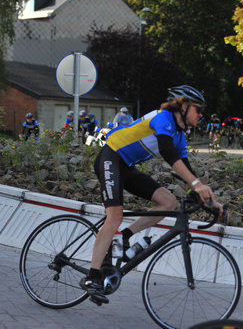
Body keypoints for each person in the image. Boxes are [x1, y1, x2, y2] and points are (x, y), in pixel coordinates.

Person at [80, 85, 224, 304]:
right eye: (198, 109)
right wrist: (196, 184)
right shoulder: (162, 118)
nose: (201, 114)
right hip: (111, 156)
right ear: (183, 106)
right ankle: (92, 278)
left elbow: (187, 171)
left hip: (126, 166)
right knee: (115, 215)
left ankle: (124, 237)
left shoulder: (179, 135)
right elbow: (168, 153)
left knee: (168, 201)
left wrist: (211, 200)